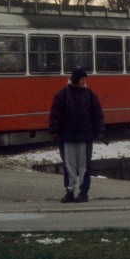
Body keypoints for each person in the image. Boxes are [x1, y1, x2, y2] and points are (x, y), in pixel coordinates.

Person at [48, 68, 105, 203]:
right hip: (69, 136)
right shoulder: (66, 95)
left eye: (85, 80)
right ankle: (71, 191)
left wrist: (100, 130)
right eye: (82, 80)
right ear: (75, 80)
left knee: (81, 165)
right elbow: (55, 115)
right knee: (71, 165)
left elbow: (98, 114)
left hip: (82, 137)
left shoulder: (68, 94)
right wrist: (54, 131)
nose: (84, 82)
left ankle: (82, 192)